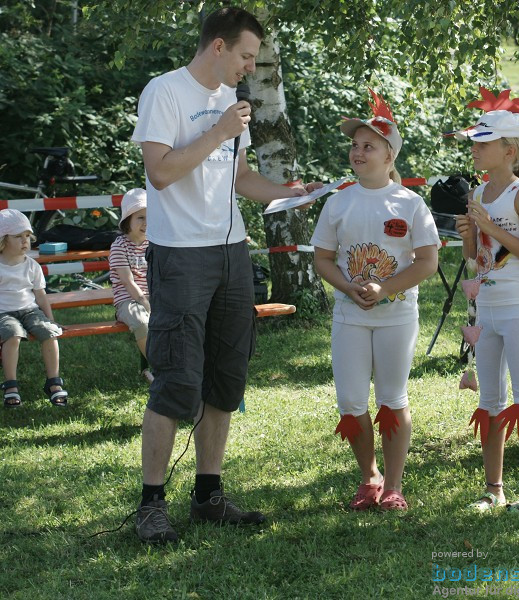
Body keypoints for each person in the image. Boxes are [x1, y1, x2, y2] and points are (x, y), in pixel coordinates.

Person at [130, 7, 319, 543]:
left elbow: (238, 178)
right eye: (245, 56)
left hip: (233, 253)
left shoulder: (228, 105)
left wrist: (287, 191)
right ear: (218, 46)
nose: (249, 67)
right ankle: (151, 504)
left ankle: (208, 495)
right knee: (176, 380)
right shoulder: (164, 92)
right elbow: (161, 173)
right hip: (180, 255)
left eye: (254, 59)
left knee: (226, 379)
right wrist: (216, 131)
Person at [312, 90, 439, 512]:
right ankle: (369, 478)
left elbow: (427, 262)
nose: (358, 151)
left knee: (392, 398)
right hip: (349, 316)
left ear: (390, 156)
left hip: (397, 316)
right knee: (350, 401)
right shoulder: (338, 202)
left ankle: (395, 486)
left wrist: (385, 289)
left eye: (369, 145)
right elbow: (323, 260)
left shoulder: (410, 202)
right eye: (354, 144)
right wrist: (349, 289)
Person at [453, 87, 519, 514]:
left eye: (484, 143)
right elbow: (477, 259)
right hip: (488, 309)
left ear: (509, 150)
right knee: (489, 400)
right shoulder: (478, 195)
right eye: (475, 143)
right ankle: (493, 488)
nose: (476, 150)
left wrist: (491, 230)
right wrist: (467, 238)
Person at [0, 209, 67, 408]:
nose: (25, 241)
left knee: (49, 332)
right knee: (13, 335)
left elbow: (40, 296)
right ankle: (11, 384)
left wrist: (50, 319)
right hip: (3, 313)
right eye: (18, 237)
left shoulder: (32, 266)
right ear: (3, 240)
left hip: (29, 310)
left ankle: (53, 381)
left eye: (27, 236)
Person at [108, 188, 153, 383]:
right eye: (140, 218)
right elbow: (128, 282)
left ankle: (172, 366)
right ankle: (160, 369)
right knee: (142, 321)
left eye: (150, 217)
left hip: (152, 297)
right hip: (128, 300)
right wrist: (146, 303)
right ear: (128, 221)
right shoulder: (120, 245)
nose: (146, 223)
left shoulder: (153, 243)